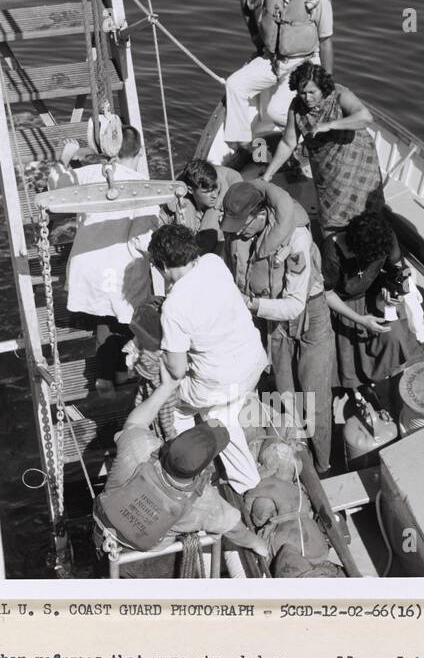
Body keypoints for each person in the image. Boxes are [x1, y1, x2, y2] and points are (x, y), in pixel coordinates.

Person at [221, 179, 335, 473]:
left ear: (261, 215)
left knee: (315, 395)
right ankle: (297, 454)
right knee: (284, 391)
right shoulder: (242, 233)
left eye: (242, 224)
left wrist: (252, 305)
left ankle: (323, 465)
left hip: (309, 314)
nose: (238, 231)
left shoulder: (295, 238)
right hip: (273, 320)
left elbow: (296, 304)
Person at [94, 370, 268, 559]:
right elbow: (236, 530)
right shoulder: (203, 503)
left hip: (101, 528)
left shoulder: (141, 449)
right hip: (145, 556)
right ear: (204, 467)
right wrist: (258, 544)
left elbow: (135, 422)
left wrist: (166, 386)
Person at [148, 222, 268, 494]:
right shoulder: (213, 262)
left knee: (180, 407)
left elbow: (177, 371)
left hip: (221, 382)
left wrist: (160, 354)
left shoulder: (174, 307)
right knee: (221, 403)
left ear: (164, 267)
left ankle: (238, 479)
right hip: (254, 359)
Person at [45, 126, 157, 389]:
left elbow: (56, 189)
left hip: (88, 264)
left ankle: (106, 377)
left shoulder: (91, 173)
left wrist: (64, 158)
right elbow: (143, 240)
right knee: (124, 320)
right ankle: (115, 375)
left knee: (104, 319)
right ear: (139, 152)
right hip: (121, 269)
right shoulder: (143, 187)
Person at [223, 0, 334, 147]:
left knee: (275, 112)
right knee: (234, 85)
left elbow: (326, 42)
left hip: (304, 63)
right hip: (273, 60)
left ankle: (311, 136)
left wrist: (326, 83)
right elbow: (246, 3)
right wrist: (258, 43)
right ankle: (241, 146)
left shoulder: (320, 1)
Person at [321, 207, 424, 408]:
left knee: (394, 336)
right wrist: (360, 320)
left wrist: (391, 287)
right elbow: (326, 293)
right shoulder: (331, 252)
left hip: (376, 295)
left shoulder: (384, 237)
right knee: (347, 355)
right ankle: (357, 387)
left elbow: (393, 268)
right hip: (342, 305)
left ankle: (393, 379)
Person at [261, 63, 385, 235]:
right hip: (328, 171)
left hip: (358, 165)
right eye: (302, 92)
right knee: (330, 218)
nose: (307, 97)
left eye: (312, 92)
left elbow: (365, 117)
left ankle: (388, 252)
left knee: (370, 214)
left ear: (323, 87)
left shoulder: (341, 95)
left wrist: (330, 125)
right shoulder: (296, 107)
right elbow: (288, 143)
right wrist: (268, 175)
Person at [158, 158, 242, 254]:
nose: (214, 195)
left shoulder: (223, 195)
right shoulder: (178, 202)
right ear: (190, 190)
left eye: (215, 189)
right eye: (207, 192)